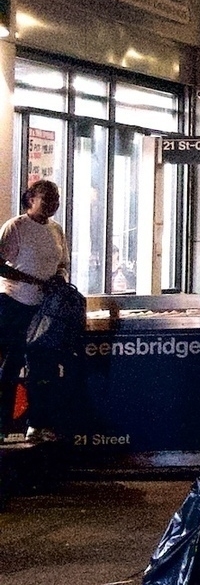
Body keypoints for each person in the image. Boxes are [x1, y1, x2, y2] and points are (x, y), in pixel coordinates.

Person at [0, 178, 67, 441]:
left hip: (45, 309)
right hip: (15, 303)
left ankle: (37, 424)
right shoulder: (16, 227)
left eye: (56, 199)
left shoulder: (57, 230)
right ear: (31, 200)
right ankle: (3, 425)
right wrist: (31, 279)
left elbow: (62, 263)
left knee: (42, 367)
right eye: (46, 199)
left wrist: (58, 279)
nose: (53, 204)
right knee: (11, 364)